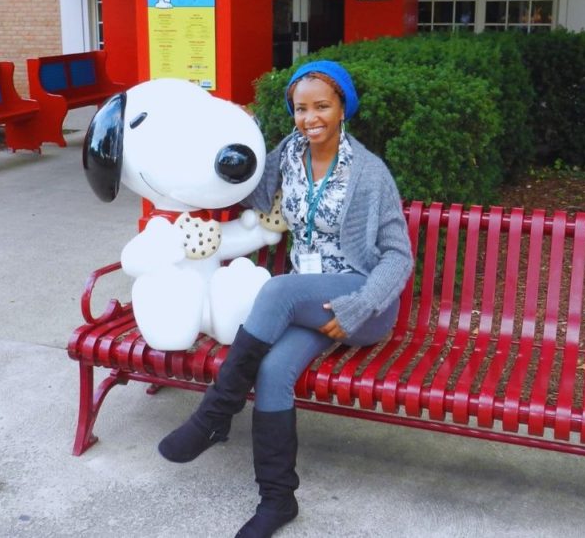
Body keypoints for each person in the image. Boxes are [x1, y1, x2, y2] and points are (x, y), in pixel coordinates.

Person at [158, 60, 414, 537]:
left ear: (343, 109)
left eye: (322, 106)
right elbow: (251, 191)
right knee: (274, 371)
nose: (310, 117)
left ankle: (215, 414)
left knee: (276, 288)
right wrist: (225, 140)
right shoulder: (289, 152)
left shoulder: (370, 173)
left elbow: (399, 258)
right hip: (306, 300)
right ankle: (277, 500)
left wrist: (359, 305)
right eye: (301, 108)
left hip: (362, 303)